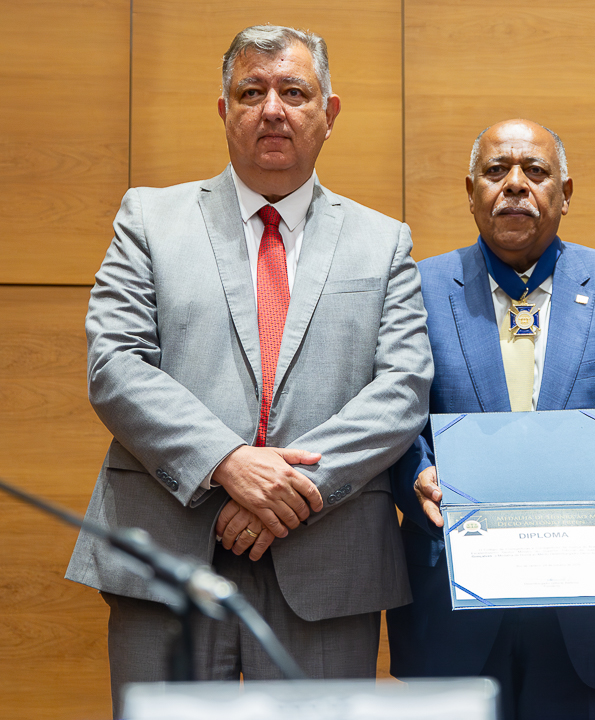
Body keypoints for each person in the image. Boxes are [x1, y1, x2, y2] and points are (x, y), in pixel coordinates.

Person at [65, 24, 432, 714]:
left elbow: (404, 388)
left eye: (294, 91)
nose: (273, 108)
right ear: (223, 109)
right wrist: (227, 461)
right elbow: (115, 364)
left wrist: (291, 488)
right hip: (168, 554)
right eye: (251, 91)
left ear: (330, 113)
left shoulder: (383, 243)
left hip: (328, 557)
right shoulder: (149, 218)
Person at [386, 119, 595, 720]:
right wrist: (415, 473)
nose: (515, 185)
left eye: (536, 172)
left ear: (565, 194)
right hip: (451, 597)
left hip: (579, 599)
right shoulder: (415, 290)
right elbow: (391, 415)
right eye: (496, 172)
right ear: (470, 191)